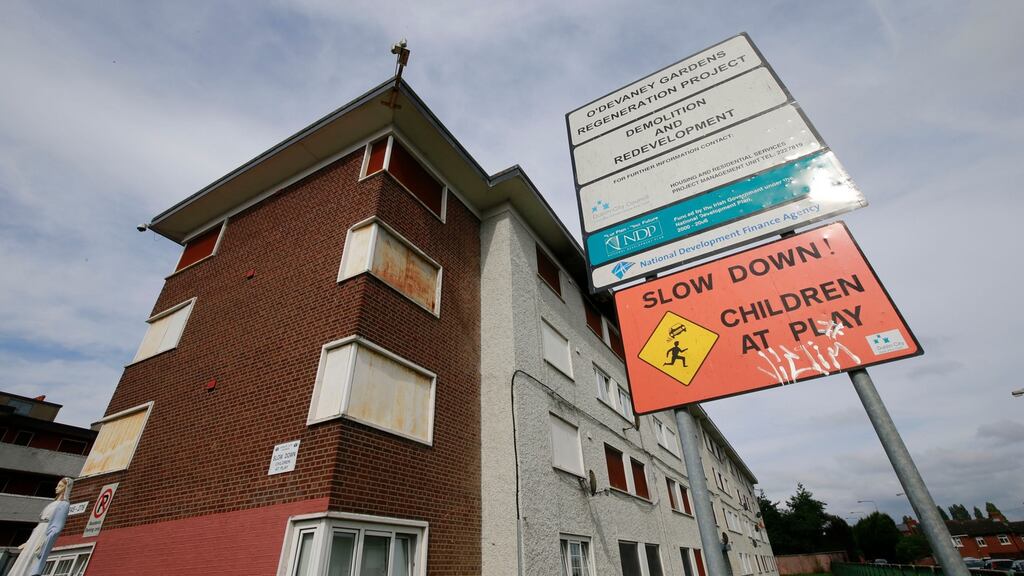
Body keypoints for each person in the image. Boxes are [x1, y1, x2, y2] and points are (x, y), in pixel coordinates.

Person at [7, 477, 73, 576]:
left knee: (33, 559)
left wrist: (44, 542)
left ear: (66, 488)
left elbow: (57, 527)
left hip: (43, 534)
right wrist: (28, 542)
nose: (56, 488)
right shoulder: (53, 503)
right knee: (24, 557)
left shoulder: (64, 505)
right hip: (37, 533)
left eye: (60, 486)